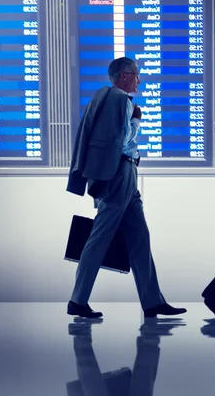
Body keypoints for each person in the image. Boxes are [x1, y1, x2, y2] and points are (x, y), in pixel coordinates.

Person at [66, 57, 186, 319]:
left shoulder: (102, 98)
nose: (139, 80)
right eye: (135, 75)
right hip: (121, 174)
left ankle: (153, 301)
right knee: (99, 238)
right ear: (123, 76)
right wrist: (137, 121)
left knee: (140, 239)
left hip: (124, 175)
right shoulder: (120, 100)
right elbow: (119, 141)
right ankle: (77, 300)